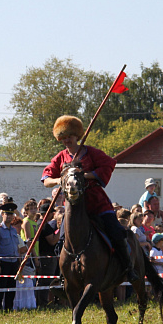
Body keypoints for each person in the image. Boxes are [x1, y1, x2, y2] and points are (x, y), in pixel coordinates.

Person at [42, 115, 136, 282]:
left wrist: (83, 176)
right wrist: (60, 179)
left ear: (77, 136)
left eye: (69, 136)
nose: (66, 141)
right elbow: (46, 178)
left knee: (116, 231)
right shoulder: (61, 157)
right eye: (63, 138)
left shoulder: (91, 152)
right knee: (62, 240)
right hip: (74, 206)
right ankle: (63, 276)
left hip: (97, 203)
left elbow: (109, 164)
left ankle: (127, 268)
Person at [0, 202, 26, 310]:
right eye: (7, 214)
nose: (9, 216)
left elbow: (16, 248)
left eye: (11, 214)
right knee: (1, 286)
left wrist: (19, 263)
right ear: (2, 215)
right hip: (4, 261)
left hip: (14, 261)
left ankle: (9, 308)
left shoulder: (13, 230)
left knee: (12, 287)